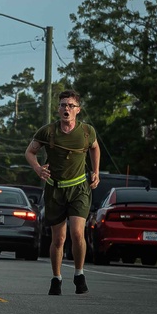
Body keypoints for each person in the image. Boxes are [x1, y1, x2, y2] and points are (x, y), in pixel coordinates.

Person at [24, 90, 100, 296]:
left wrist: (96, 171)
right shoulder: (48, 132)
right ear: (58, 109)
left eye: (71, 105)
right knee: (58, 238)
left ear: (78, 110)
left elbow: (95, 148)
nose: (66, 108)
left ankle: (79, 274)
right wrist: (38, 168)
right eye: (63, 105)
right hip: (55, 189)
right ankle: (56, 278)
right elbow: (29, 152)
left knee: (77, 233)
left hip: (79, 188)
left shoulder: (87, 131)